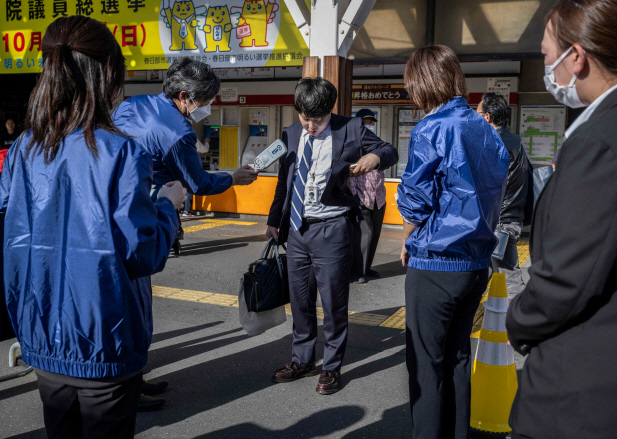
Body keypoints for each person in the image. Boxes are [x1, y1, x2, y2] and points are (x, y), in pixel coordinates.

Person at [0, 16, 186, 439]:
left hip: (41, 333)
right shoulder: (121, 152)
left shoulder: (24, 148)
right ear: (108, 74)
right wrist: (168, 207)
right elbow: (143, 253)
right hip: (105, 334)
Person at [506, 0, 617, 437]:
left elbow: (567, 280)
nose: (546, 66)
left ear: (577, 57)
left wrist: (517, 320)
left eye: (547, 53)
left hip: (585, 395)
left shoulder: (601, 142)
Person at [113, 57, 258, 409]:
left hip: (110, 213)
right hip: (144, 215)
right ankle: (125, 391)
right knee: (136, 307)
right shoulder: (178, 133)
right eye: (206, 101)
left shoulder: (132, 104)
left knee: (122, 305)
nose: (209, 107)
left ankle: (133, 380)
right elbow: (199, 183)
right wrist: (234, 178)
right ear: (183, 96)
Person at [396, 45, 509, 439]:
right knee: (458, 358)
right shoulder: (485, 128)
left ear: (423, 83)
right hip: (476, 263)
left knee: (426, 366)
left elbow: (415, 199)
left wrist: (407, 239)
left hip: (436, 263)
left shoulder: (433, 127)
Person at [266, 77, 398, 395]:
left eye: (318, 119)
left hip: (332, 228)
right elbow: (283, 182)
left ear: (330, 111)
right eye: (304, 118)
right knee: (299, 301)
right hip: (297, 228)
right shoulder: (290, 134)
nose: (310, 125)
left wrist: (373, 158)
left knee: (333, 303)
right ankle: (302, 359)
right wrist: (273, 220)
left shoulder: (351, 128)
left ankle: (331, 366)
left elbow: (389, 149)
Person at [477, 92, 529, 299]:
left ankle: (522, 321)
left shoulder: (495, 144)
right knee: (488, 269)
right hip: (509, 215)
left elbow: (485, 184)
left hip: (500, 220)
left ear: (487, 117)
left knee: (509, 274)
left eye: (477, 114)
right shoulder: (512, 139)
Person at [349, 109, 387, 284]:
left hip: (378, 197)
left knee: (374, 234)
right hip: (361, 196)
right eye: (366, 122)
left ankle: (366, 267)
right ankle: (357, 271)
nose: (369, 125)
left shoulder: (378, 146)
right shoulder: (352, 144)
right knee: (364, 234)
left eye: (371, 122)